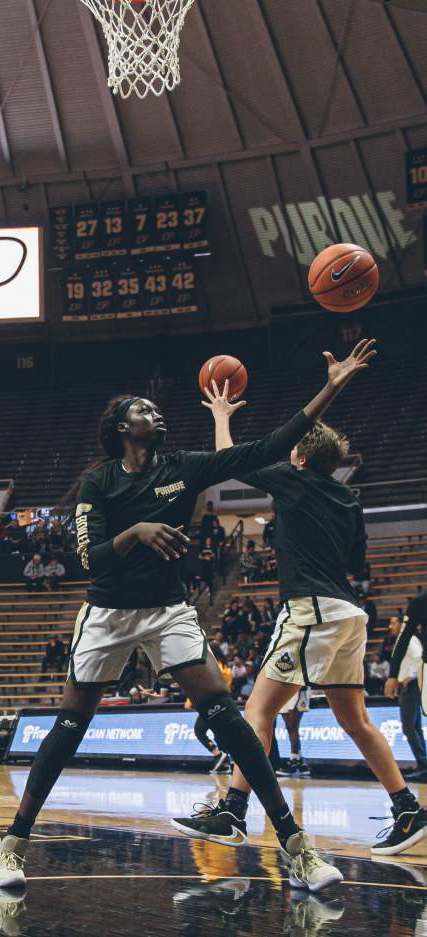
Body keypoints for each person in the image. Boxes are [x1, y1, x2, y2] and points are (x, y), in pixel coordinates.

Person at [0, 342, 371, 892]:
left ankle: (298, 848)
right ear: (121, 427)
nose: (156, 414)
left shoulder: (180, 467)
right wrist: (137, 532)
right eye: (143, 409)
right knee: (69, 728)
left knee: (228, 716)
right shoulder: (99, 481)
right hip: (108, 612)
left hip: (167, 610)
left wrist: (332, 385)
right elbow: (86, 556)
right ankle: (11, 846)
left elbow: (271, 446)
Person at [214, 340, 427, 857]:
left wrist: (222, 415)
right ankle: (407, 810)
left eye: (293, 451)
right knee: (353, 719)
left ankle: (231, 812)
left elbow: (227, 459)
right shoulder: (348, 498)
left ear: (302, 456)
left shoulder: (295, 480)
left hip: (311, 610)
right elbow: (356, 564)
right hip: (349, 613)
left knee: (257, 714)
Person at [386, 612, 427, 781]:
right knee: (414, 727)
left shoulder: (409, 639)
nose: (390, 626)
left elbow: (420, 657)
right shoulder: (406, 640)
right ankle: (423, 764)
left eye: (393, 623)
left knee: (409, 728)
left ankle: (423, 763)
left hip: (410, 687)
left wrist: (410, 675)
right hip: (409, 687)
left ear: (402, 623)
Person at [273, 689, 312, 778]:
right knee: (289, 727)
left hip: (298, 688)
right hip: (284, 690)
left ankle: (294, 761)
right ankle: (300, 763)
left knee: (293, 726)